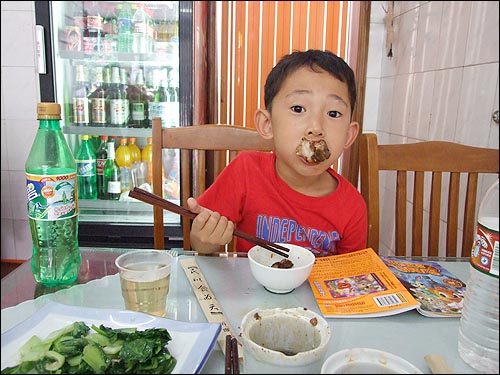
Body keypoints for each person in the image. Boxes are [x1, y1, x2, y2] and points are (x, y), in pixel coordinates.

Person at [187, 49, 367, 256]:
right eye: (298, 109)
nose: (316, 127)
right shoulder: (246, 170)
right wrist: (206, 240)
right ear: (267, 124)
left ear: (348, 135)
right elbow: (200, 243)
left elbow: (350, 278)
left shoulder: (352, 207)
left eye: (333, 113)